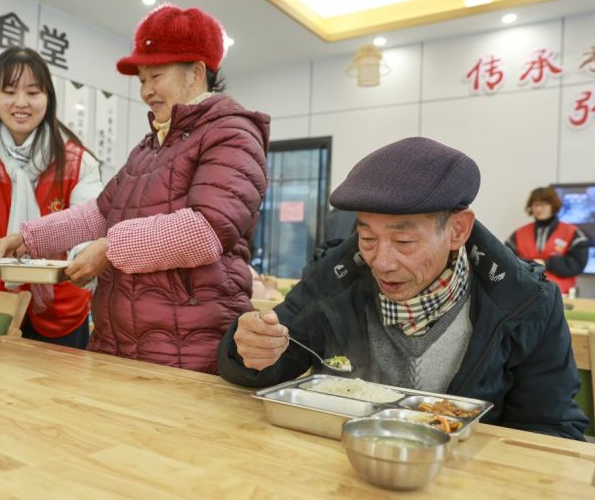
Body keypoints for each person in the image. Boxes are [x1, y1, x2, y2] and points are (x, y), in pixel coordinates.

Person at [218, 137, 588, 440]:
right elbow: (271, 358)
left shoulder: (524, 301)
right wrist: (249, 349)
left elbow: (550, 427)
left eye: (404, 242)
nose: (382, 261)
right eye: (367, 237)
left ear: (457, 230)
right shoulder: (332, 279)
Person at [0, 5, 270, 373]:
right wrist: (28, 238)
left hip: (187, 354)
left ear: (197, 71)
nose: (146, 91)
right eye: (141, 80)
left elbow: (206, 230)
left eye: (156, 76)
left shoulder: (232, 134)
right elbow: (102, 212)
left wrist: (110, 248)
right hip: (121, 348)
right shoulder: (151, 146)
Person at [0, 46, 102, 348]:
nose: (21, 103)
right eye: (9, 91)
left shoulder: (79, 162)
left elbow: (90, 222)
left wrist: (85, 257)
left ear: (48, 98)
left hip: (61, 311)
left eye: (33, 92)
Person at [505, 186, 589, 296]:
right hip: (524, 296)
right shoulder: (518, 234)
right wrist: (529, 265)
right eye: (535, 204)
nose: (539, 209)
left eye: (543, 204)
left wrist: (547, 263)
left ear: (553, 206)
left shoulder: (572, 233)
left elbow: (578, 264)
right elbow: (506, 260)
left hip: (561, 296)